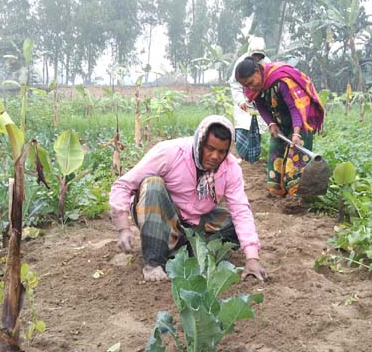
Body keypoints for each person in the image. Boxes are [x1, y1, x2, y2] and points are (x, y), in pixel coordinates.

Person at [108, 115, 267, 282]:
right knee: (152, 184)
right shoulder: (169, 152)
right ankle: (154, 263)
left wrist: (252, 258)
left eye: (221, 151)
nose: (215, 156)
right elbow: (123, 185)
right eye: (210, 148)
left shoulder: (230, 168)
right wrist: (123, 228)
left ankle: (185, 249)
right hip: (165, 218)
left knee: (235, 223)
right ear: (200, 141)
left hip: (197, 222)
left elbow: (240, 209)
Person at [235, 58, 325, 197]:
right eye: (246, 86)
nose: (250, 88)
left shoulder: (280, 80)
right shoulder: (255, 88)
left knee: (295, 163)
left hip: (300, 123)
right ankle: (277, 195)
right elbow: (261, 106)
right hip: (280, 125)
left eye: (251, 82)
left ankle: (297, 200)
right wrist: (271, 123)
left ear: (257, 71)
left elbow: (294, 107)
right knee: (275, 159)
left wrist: (296, 133)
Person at [228, 37, 270, 163]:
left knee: (255, 132)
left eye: (259, 56)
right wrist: (241, 101)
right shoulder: (241, 63)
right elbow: (235, 84)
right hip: (244, 103)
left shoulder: (266, 63)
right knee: (242, 129)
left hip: (259, 103)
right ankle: (241, 157)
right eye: (255, 55)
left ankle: (253, 159)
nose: (257, 58)